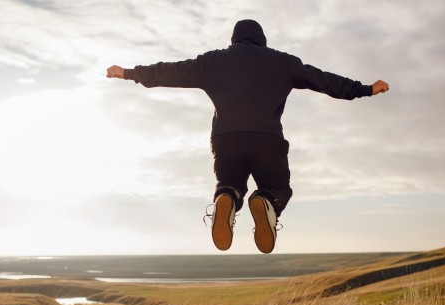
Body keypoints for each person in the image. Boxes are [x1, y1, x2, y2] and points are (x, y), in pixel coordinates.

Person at [107, 19, 389, 254]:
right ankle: (267, 201)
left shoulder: (213, 61)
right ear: (262, 40)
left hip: (226, 141)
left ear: (234, 40)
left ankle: (226, 198)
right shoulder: (283, 62)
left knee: (229, 183)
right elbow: (324, 80)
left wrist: (130, 73)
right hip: (267, 141)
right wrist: (365, 89)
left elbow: (171, 71)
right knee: (278, 188)